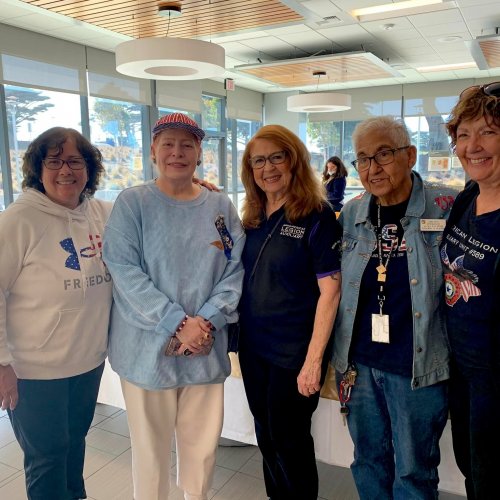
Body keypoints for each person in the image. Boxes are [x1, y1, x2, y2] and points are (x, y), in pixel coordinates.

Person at [103, 112, 245, 500]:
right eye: (168, 144)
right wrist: (177, 322)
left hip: (205, 347)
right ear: (153, 151)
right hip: (147, 352)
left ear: (200, 152)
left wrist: (208, 321)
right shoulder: (133, 204)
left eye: (187, 144)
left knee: (202, 452)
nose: (177, 152)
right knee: (150, 454)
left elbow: (235, 269)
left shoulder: (219, 206)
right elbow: (124, 270)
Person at [332, 116, 457, 499]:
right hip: (360, 366)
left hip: (417, 366)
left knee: (414, 473)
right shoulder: (353, 213)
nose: (373, 168)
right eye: (363, 159)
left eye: (383, 154)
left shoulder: (447, 205)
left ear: (410, 155)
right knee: (368, 461)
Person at [0, 127, 112, 499]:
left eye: (75, 161)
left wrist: (193, 184)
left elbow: (150, 203)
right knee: (46, 458)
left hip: (87, 363)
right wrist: (2, 364)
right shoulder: (18, 221)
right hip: (35, 371)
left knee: (74, 445)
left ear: (89, 169)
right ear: (38, 168)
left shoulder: (99, 212)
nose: (66, 170)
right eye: (54, 161)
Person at [237, 124, 342, 500]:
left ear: (294, 160)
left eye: (276, 157)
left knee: (290, 439)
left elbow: (330, 292)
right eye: (258, 161)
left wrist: (314, 361)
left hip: (295, 352)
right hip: (254, 348)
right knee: (265, 434)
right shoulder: (251, 217)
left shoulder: (317, 216)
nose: (267, 168)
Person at [442, 81, 500, 499]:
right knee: (471, 469)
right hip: (460, 369)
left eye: (488, 131)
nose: (472, 146)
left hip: (495, 380)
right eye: (464, 134)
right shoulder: (466, 199)